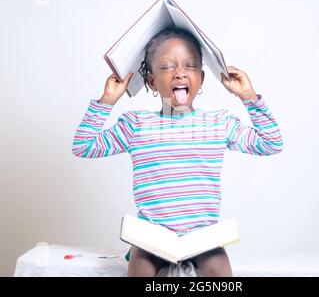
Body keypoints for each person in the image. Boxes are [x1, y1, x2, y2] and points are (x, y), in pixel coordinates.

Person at [72, 26, 284, 277]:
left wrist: (248, 97)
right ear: (151, 81)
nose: (180, 73)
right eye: (167, 67)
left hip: (202, 237)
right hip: (152, 237)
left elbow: (271, 142)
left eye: (190, 65)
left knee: (219, 270)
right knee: (140, 269)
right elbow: (84, 146)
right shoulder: (136, 124)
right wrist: (107, 101)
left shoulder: (218, 123)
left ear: (202, 79)